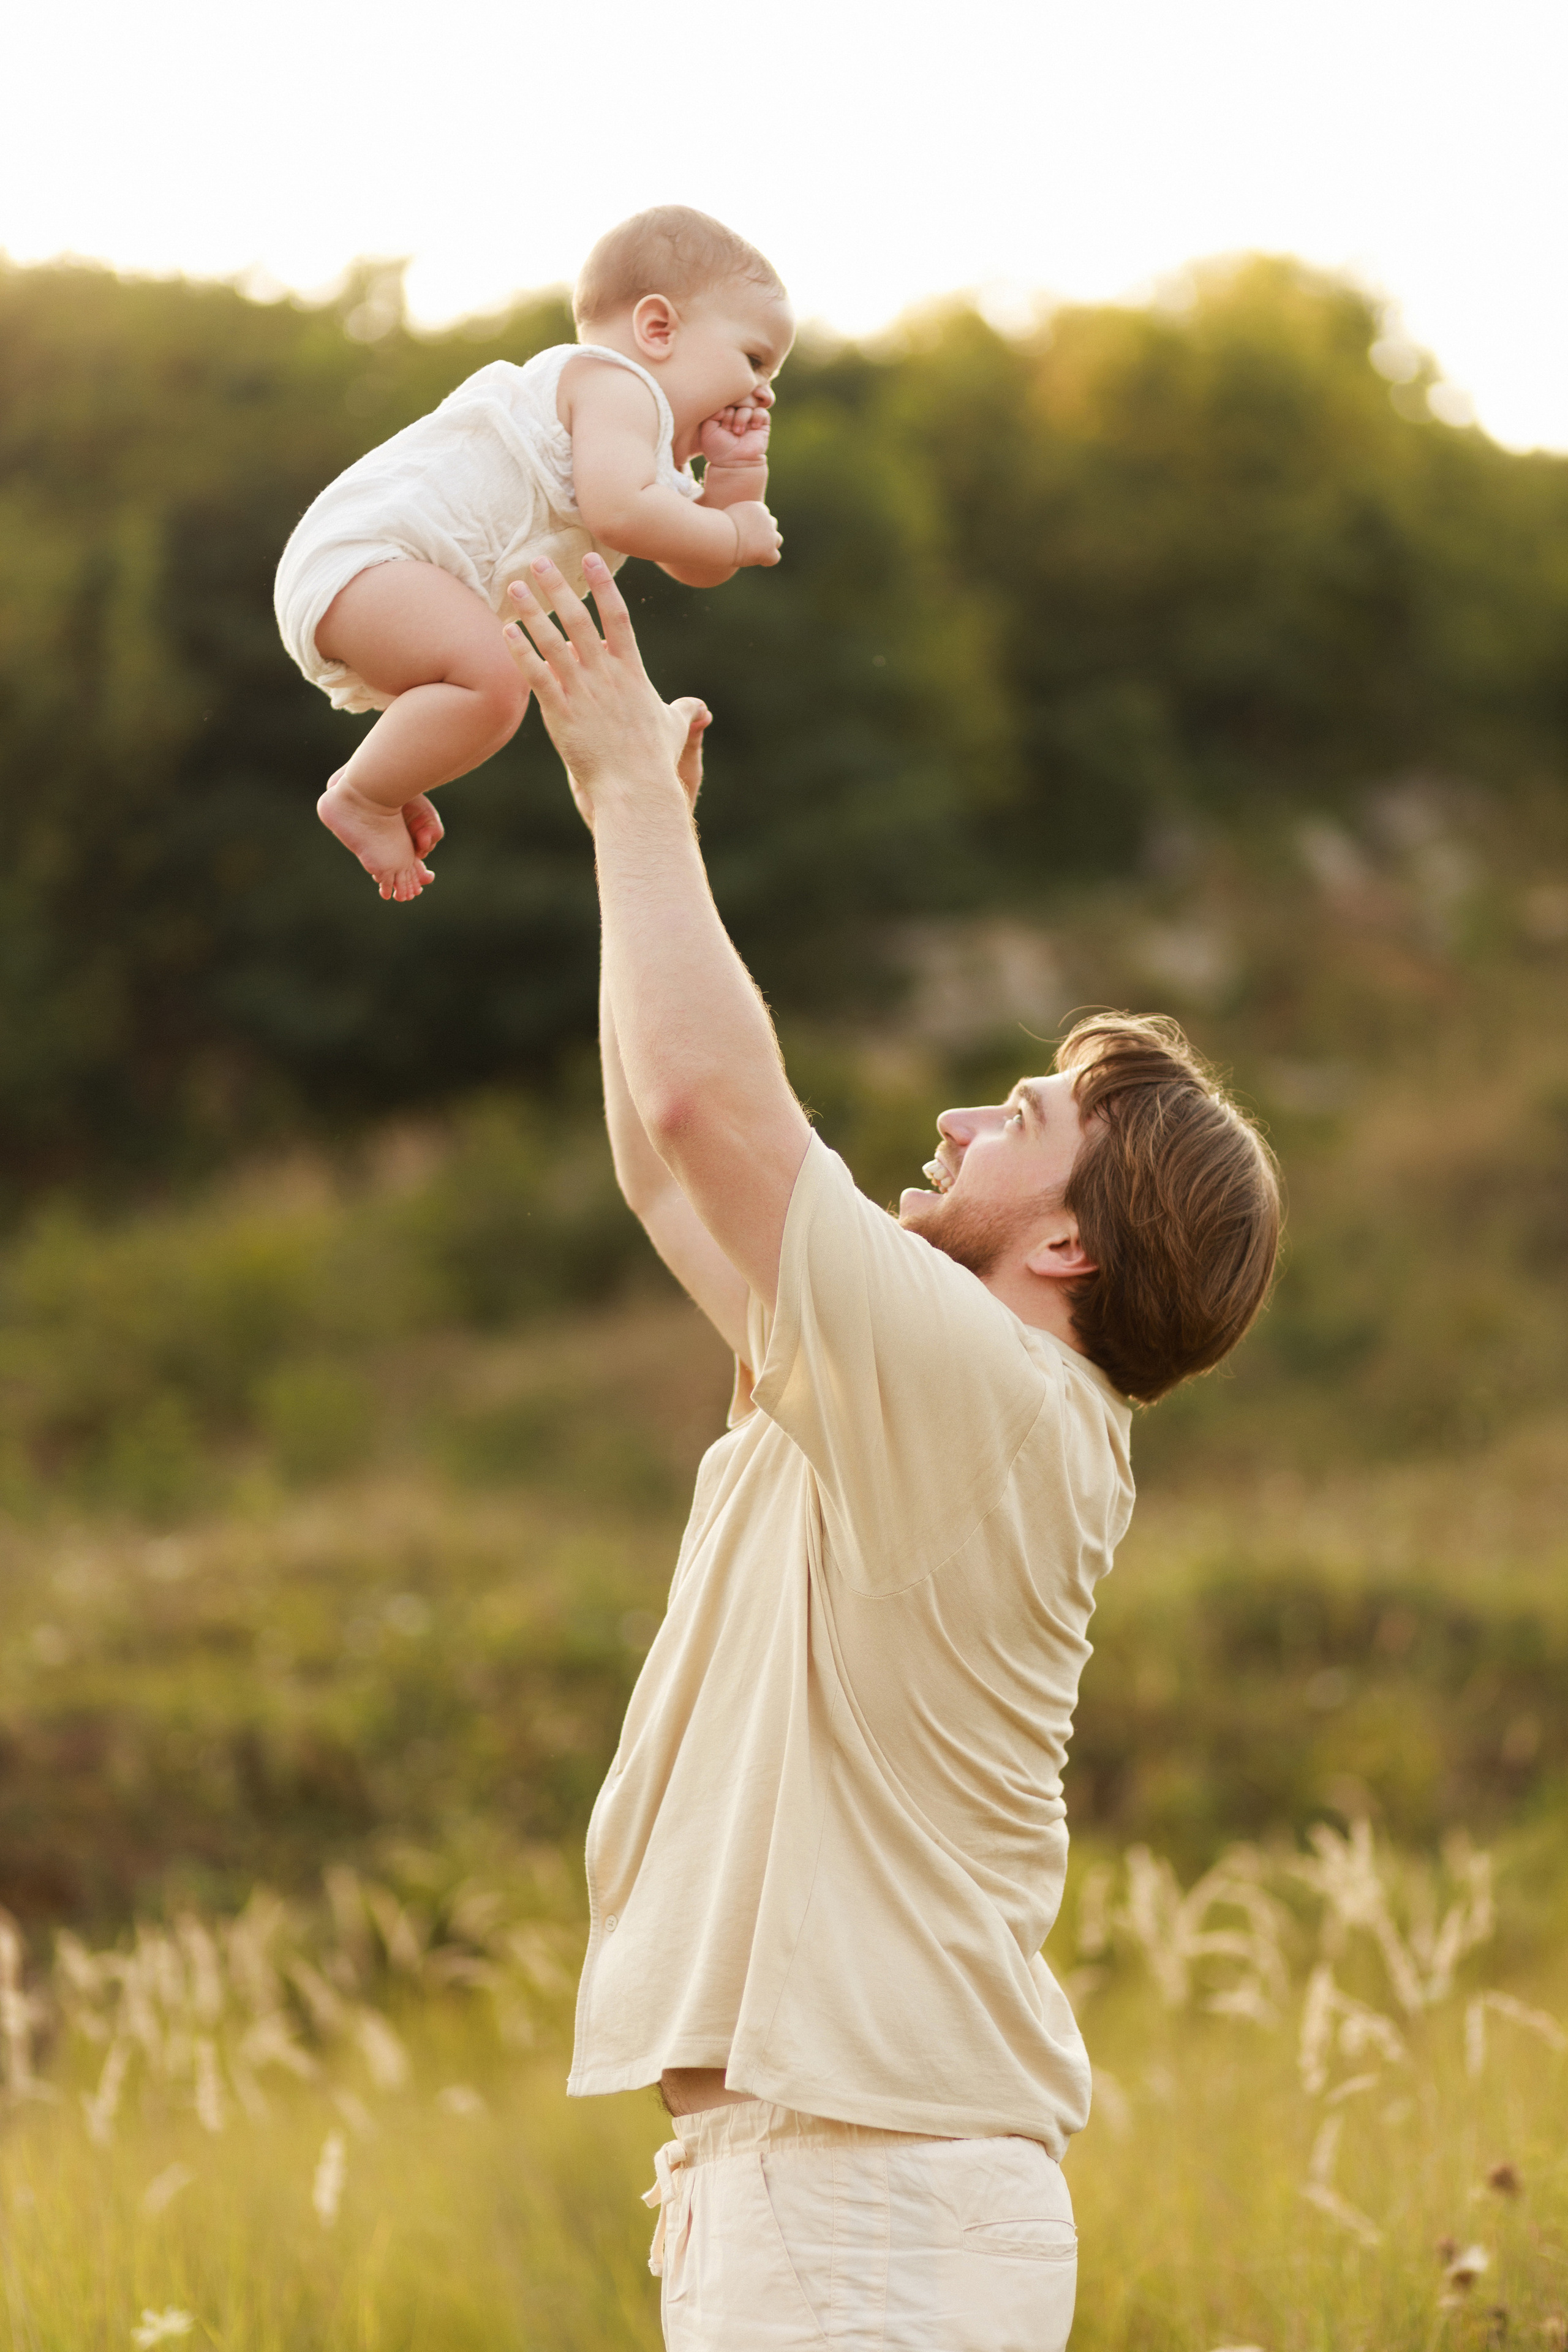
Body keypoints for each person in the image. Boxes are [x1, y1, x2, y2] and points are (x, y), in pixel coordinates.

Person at [502, 554, 1282, 2351]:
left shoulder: (986, 1389)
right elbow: (669, 1165)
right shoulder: (933, 1394)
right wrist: (630, 836)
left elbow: (710, 1105)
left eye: (1017, 1116)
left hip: (864, 2208)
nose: (953, 1114)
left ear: (1068, 1242)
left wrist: (632, 794)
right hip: (844, 2195)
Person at [273, 206, 791, 903]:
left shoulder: (643, 449)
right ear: (658, 329)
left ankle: (391, 774)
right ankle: (363, 796)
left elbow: (693, 563)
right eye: (754, 359)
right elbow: (623, 516)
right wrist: (734, 533)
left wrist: (734, 477)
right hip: (372, 560)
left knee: (487, 698)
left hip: (389, 584)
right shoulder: (614, 384)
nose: (765, 390)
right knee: (497, 685)